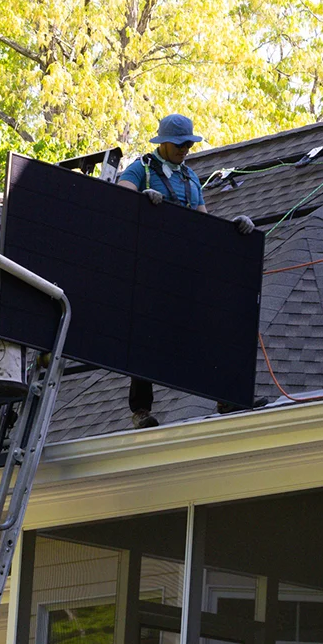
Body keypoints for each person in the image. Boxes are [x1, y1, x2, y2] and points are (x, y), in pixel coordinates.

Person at [117, 113, 255, 429]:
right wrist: (140, 200)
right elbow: (119, 200)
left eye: (188, 145)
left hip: (184, 268)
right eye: (180, 145)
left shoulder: (191, 178)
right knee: (145, 335)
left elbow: (203, 223)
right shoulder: (142, 169)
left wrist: (235, 227)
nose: (185, 150)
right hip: (151, 267)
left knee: (209, 326)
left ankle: (224, 395)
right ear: (163, 142)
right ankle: (140, 411)